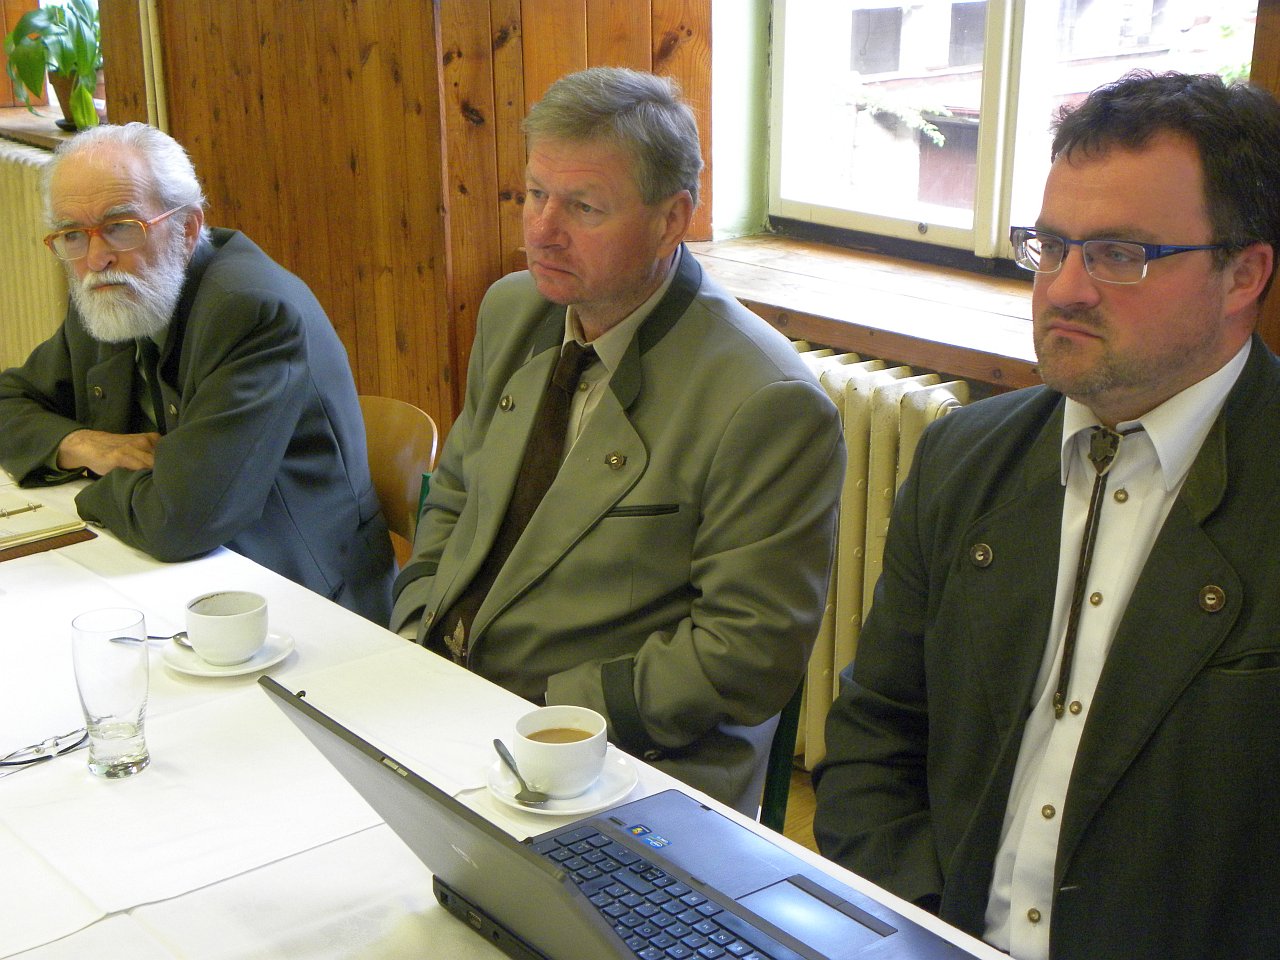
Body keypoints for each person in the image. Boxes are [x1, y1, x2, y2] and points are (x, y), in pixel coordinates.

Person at [812, 69, 1280, 960]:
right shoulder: (965, 459)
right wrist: (920, 931)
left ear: (1242, 275)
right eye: (1052, 246)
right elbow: (875, 735)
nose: (1064, 289)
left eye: (1119, 254)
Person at [390, 67, 844, 812]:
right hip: (452, 707)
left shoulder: (765, 400)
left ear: (672, 220)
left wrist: (548, 714)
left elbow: (747, 653)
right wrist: (415, 628)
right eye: (534, 194)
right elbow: (458, 493)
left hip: (616, 763)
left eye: (583, 207)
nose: (542, 230)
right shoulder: (514, 310)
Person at [0, 123, 395, 623]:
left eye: (121, 226)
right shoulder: (113, 295)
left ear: (187, 228)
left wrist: (96, 487)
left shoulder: (251, 311)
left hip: (299, 599)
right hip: (176, 577)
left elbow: (181, 520)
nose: (96, 258)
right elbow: (8, 401)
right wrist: (83, 445)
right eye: (73, 235)